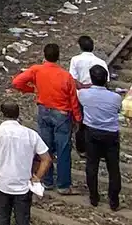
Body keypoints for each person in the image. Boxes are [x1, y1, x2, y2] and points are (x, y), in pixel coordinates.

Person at [12, 43, 81, 194]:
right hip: (62, 114)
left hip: (43, 111)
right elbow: (73, 100)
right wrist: (77, 118)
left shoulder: (37, 70)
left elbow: (17, 82)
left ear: (44, 55)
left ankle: (47, 181)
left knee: (45, 147)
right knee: (63, 149)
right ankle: (63, 185)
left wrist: (31, 89)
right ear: (58, 57)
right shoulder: (66, 76)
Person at [78, 66, 124, 211]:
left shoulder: (83, 95)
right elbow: (118, 110)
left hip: (92, 133)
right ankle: (114, 200)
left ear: (91, 79)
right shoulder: (116, 98)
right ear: (106, 80)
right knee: (113, 167)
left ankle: (94, 197)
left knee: (92, 165)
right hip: (110, 134)